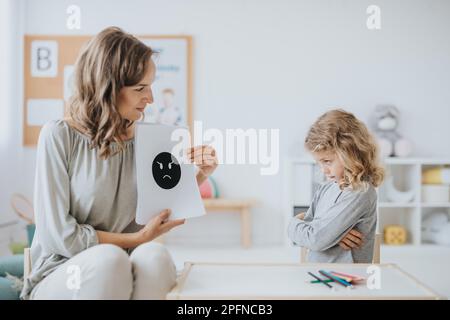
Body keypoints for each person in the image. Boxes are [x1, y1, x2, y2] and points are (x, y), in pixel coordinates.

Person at [20, 27, 217, 300]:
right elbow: (59, 236)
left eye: (151, 86)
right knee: (110, 261)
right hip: (63, 271)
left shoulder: (148, 137)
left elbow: (160, 206)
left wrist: (200, 175)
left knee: (156, 258)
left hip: (123, 266)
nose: (150, 98)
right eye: (140, 88)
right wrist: (135, 240)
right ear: (108, 88)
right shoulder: (59, 135)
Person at [287, 109, 384, 263]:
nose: (323, 170)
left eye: (327, 161)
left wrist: (294, 224)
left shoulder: (361, 192)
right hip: (316, 274)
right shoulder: (326, 188)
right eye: (319, 163)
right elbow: (313, 234)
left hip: (346, 279)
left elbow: (315, 239)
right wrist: (331, 235)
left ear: (350, 153)